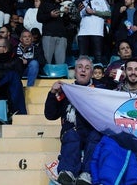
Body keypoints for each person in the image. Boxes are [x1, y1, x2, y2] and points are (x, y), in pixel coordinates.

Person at [44, 56, 103, 185]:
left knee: (96, 137)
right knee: (71, 135)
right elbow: (50, 115)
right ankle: (67, 172)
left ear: (91, 73)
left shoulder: (99, 92)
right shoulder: (65, 91)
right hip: (72, 132)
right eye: (80, 67)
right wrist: (52, 93)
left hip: (91, 133)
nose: (83, 70)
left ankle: (87, 174)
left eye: (87, 68)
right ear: (75, 71)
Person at [0, 38, 27, 114]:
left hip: (8, 89)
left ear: (4, 48)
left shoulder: (16, 60)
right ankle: (16, 111)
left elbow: (17, 74)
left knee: (14, 76)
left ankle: (15, 111)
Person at [78, 0, 111, 64]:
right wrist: (78, 11)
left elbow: (108, 14)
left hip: (97, 32)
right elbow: (79, 16)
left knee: (97, 56)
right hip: (83, 32)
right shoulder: (82, 0)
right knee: (82, 57)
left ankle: (98, 73)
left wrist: (94, 12)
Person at [37, 0, 68, 64]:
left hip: (62, 36)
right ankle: (47, 74)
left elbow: (67, 23)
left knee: (61, 62)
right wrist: (50, 15)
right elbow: (39, 18)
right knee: (47, 61)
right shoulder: (44, 4)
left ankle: (60, 74)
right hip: (48, 35)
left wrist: (66, 14)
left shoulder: (63, 4)